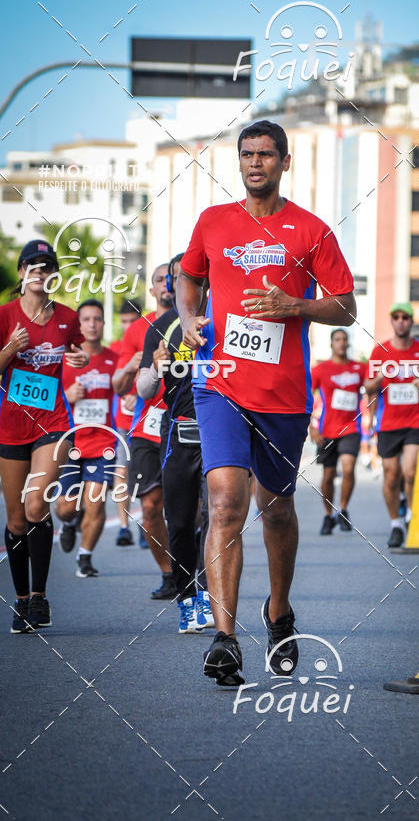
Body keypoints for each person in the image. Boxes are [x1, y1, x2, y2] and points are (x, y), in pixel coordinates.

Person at [177, 119, 356, 686]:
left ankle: (278, 611)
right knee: (226, 501)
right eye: (247, 154)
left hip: (283, 394)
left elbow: (346, 306)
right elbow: (188, 279)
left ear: (284, 161)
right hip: (220, 384)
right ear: (239, 162)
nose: (256, 163)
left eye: (266, 154)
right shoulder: (213, 222)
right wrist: (187, 320)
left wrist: (296, 307)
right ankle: (225, 638)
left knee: (276, 510)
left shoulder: (311, 230)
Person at [0, 240, 88, 632]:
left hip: (52, 424)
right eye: (31, 265)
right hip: (11, 425)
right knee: (17, 521)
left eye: (46, 266)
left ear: (54, 275)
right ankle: (21, 601)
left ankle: (40, 597)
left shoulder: (67, 318)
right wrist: (9, 349)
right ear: (21, 274)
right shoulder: (5, 316)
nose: (39, 271)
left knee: (36, 504)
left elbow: (78, 355)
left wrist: (80, 359)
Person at [137, 254, 214, 633]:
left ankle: (212, 597)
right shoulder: (162, 326)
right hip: (179, 432)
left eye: (193, 275)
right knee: (181, 522)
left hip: (221, 428)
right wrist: (156, 367)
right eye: (177, 277)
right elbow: (144, 389)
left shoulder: (227, 318)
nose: (184, 282)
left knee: (219, 515)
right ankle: (188, 598)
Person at [112, 266, 175, 598]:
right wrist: (134, 365)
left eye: (172, 279)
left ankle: (196, 570)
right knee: (151, 506)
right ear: (152, 291)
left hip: (186, 424)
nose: (167, 285)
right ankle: (169, 573)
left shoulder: (200, 320)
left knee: (191, 508)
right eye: (160, 280)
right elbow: (119, 385)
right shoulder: (138, 328)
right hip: (147, 427)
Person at [54, 299, 118, 577]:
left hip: (103, 443)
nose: (92, 324)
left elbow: (125, 394)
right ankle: (69, 523)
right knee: (66, 508)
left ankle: (85, 556)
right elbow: (46, 401)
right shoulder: (63, 360)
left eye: (97, 319)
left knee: (96, 501)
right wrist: (66, 398)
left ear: (103, 323)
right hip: (70, 444)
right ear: (78, 325)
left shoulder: (115, 360)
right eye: (86, 319)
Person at [365, 303, 419, 548]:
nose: (401, 321)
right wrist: (382, 376)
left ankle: (412, 518)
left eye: (406, 317)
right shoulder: (380, 351)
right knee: (391, 476)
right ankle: (396, 523)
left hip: (416, 420)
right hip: (388, 422)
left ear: (411, 321)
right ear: (392, 321)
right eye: (397, 317)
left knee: (411, 471)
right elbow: (368, 387)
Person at [310, 329, 367, 534]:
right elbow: (307, 397)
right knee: (328, 475)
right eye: (337, 340)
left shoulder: (359, 368)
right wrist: (312, 427)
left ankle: (343, 509)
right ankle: (328, 514)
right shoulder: (321, 369)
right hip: (327, 430)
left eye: (344, 340)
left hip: (351, 427)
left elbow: (370, 388)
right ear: (331, 343)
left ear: (348, 343)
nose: (342, 343)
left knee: (349, 468)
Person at [110, 299, 142, 546]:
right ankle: (124, 526)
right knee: (121, 471)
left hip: (147, 419)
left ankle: (147, 525)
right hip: (122, 421)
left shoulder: (150, 340)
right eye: (124, 322)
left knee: (147, 474)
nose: (129, 326)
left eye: (133, 321)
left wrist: (139, 396)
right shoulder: (116, 347)